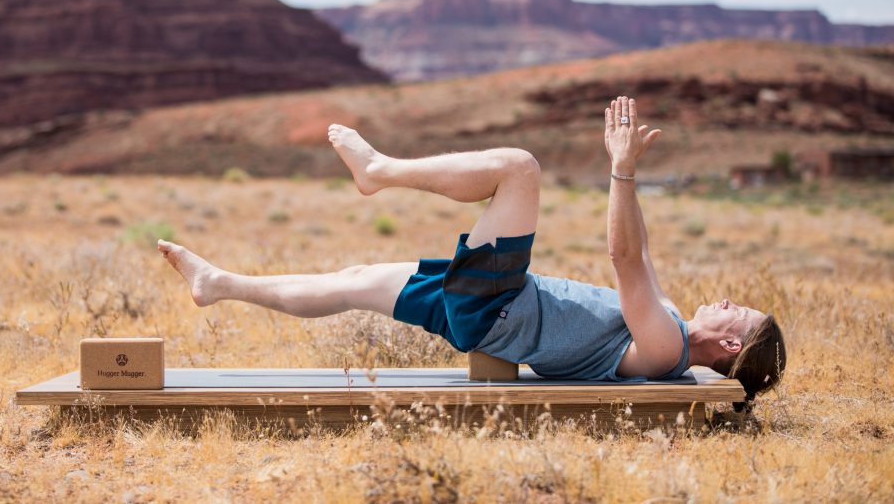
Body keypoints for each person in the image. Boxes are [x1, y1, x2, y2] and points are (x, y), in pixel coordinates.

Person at [158, 96, 786, 409]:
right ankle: (219, 283)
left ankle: (379, 168)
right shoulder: (668, 325)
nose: (729, 300)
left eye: (740, 312)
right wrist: (628, 179)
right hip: (493, 312)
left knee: (519, 169)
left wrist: (621, 172)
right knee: (350, 281)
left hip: (498, 307)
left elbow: (624, 261)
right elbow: (641, 254)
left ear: (730, 345)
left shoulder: (666, 349)